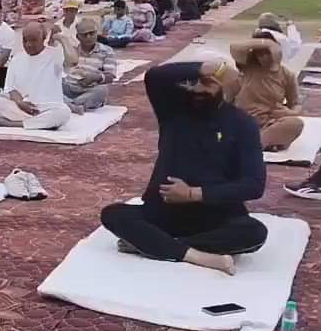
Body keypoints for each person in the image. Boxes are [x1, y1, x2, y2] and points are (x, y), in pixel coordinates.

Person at [99, 59, 265, 275]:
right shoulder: (173, 111)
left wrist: (193, 193)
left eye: (207, 83)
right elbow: (155, 76)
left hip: (214, 215)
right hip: (164, 210)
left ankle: (158, 244)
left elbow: (254, 185)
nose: (197, 88)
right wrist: (201, 68)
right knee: (113, 214)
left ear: (223, 87)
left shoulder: (243, 124)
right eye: (193, 81)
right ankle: (198, 256)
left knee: (254, 233)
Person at [0, 22, 73, 130]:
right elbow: (11, 89)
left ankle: (16, 124)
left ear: (43, 39)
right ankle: (42, 123)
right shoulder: (17, 59)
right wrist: (20, 103)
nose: (28, 44)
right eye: (25, 40)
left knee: (63, 113)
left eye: (33, 40)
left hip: (48, 107)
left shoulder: (54, 54)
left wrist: (62, 39)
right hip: (23, 108)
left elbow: (73, 61)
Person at [230, 32, 303, 151]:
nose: (264, 57)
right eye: (260, 54)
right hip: (244, 120)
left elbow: (296, 104)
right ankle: (261, 144)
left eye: (267, 53)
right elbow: (235, 47)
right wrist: (266, 43)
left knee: (295, 124)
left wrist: (289, 113)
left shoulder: (287, 75)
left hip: (269, 123)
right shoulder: (248, 66)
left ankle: (255, 143)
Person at [63, 17, 117, 113]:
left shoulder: (106, 51)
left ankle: (69, 104)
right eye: (84, 35)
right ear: (77, 37)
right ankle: (74, 105)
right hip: (70, 87)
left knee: (102, 90)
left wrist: (95, 77)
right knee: (52, 84)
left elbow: (111, 76)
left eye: (91, 33)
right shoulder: (72, 50)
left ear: (97, 33)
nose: (88, 37)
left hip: (89, 89)